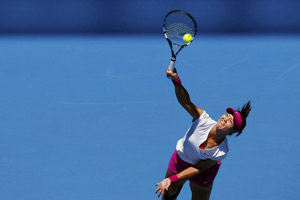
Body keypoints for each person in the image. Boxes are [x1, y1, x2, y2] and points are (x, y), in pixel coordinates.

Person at [155, 67, 252, 200]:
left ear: (233, 130)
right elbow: (186, 102)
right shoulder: (203, 119)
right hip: (181, 159)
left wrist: (172, 178)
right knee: (167, 193)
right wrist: (176, 81)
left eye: (230, 121)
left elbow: (198, 169)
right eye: (227, 115)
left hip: (203, 172)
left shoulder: (221, 151)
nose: (225, 118)